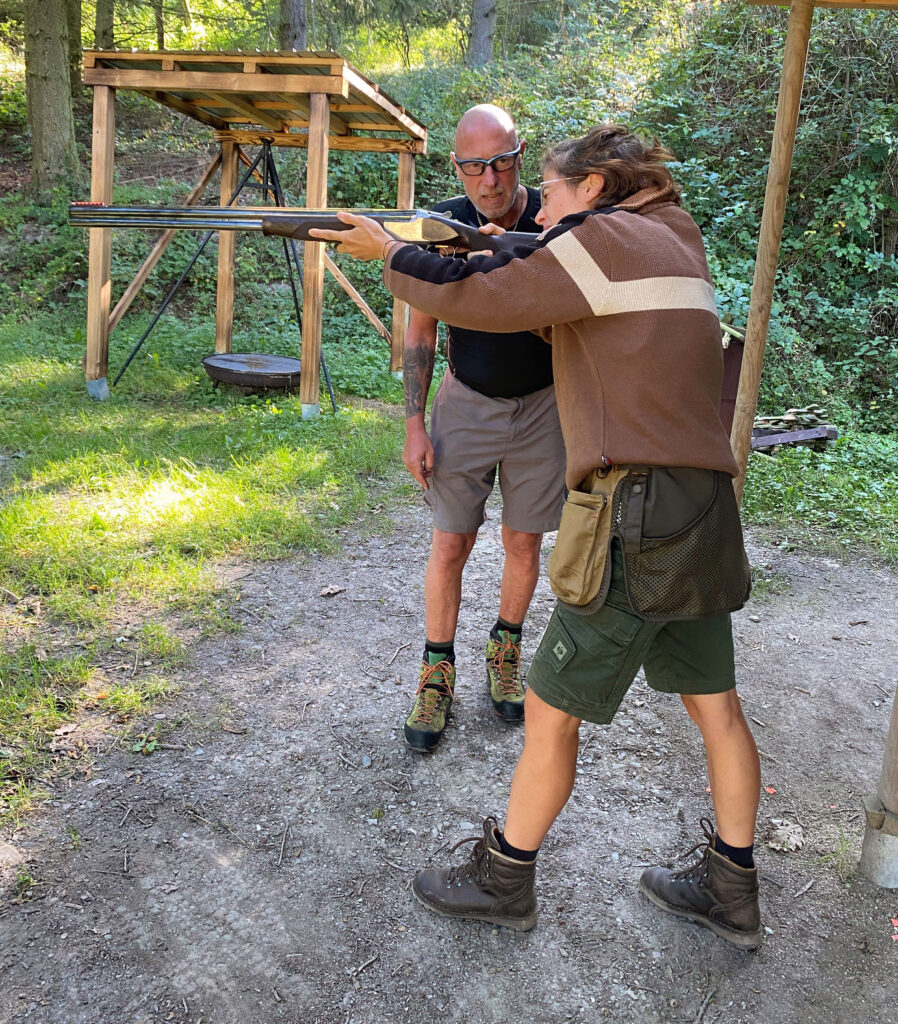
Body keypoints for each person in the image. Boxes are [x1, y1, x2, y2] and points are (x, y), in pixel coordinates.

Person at [309, 125, 763, 948]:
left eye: (548, 191)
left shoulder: (603, 240)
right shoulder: (671, 235)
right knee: (717, 707)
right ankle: (733, 887)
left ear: (591, 189)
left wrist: (389, 252)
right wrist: (499, 245)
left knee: (549, 712)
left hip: (640, 508)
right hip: (698, 507)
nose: (540, 204)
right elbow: (546, 278)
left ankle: (503, 878)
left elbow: (490, 301)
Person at [397, 104, 565, 753]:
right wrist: (415, 424)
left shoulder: (553, 221)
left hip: (543, 406)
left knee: (524, 544)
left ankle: (505, 653)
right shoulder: (439, 224)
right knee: (450, 545)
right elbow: (420, 329)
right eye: (475, 166)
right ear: (456, 167)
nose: (490, 179)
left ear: (522, 155)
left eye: (501, 162)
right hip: (466, 401)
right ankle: (436, 675)